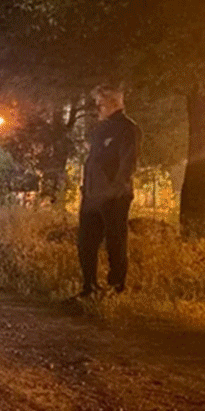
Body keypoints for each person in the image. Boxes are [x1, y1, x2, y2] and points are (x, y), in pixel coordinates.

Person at [77, 83, 141, 298]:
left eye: (100, 105)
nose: (98, 109)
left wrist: (116, 189)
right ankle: (89, 287)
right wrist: (87, 189)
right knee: (86, 242)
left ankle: (116, 288)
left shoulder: (127, 128)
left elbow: (128, 162)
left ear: (113, 103)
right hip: (92, 195)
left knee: (115, 242)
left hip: (114, 197)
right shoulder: (101, 129)